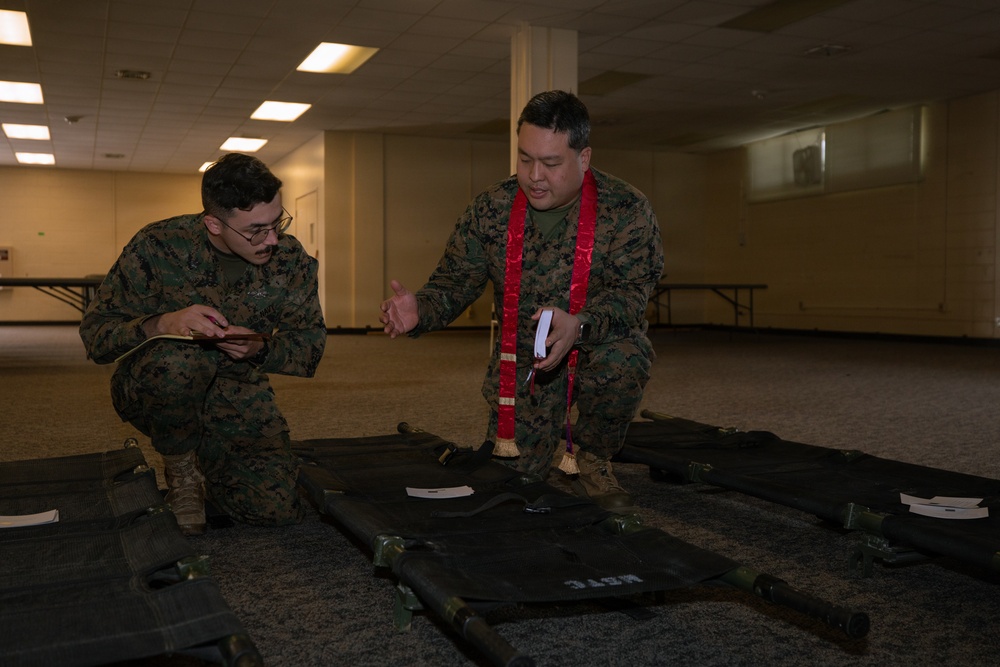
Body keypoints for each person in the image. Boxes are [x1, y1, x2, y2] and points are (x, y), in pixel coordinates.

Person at [380, 90, 663, 509]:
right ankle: (536, 449)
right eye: (525, 158)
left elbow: (631, 296)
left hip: (594, 344)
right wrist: (420, 309)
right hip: (524, 361)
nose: (534, 175)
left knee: (626, 357)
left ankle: (592, 459)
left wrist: (580, 324)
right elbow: (455, 282)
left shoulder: (626, 209)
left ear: (583, 159)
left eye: (550, 163)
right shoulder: (491, 209)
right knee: (517, 481)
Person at [80, 153, 326, 534]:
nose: (272, 239)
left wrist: (259, 347)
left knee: (273, 509)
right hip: (157, 384)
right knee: (181, 357)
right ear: (213, 223)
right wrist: (162, 323)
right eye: (256, 230)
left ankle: (211, 459)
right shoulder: (158, 246)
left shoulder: (291, 261)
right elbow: (96, 337)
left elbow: (309, 346)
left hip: (236, 392)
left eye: (278, 223)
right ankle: (182, 473)